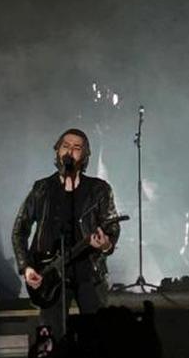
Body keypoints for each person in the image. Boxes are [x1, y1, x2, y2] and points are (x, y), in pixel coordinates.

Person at [11, 129, 120, 335]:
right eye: (65, 146)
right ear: (57, 152)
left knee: (96, 337)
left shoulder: (98, 189)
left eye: (77, 147)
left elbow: (112, 226)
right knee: (53, 338)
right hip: (51, 274)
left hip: (89, 274)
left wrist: (105, 244)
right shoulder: (42, 189)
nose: (70, 151)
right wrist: (26, 267)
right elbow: (20, 230)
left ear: (85, 155)